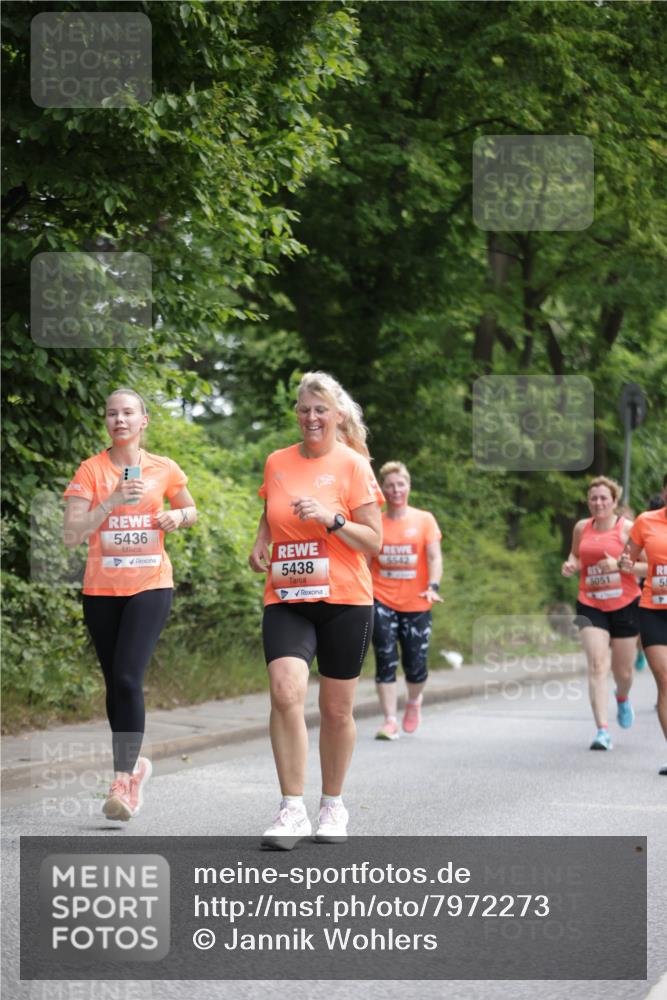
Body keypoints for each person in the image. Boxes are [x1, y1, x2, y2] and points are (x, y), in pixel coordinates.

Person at [248, 371, 383, 849]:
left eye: (320, 409)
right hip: (287, 596)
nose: (310, 417)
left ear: (337, 415)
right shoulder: (277, 462)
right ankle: (290, 809)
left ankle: (333, 804)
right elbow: (271, 512)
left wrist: (332, 518)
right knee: (285, 692)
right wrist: (261, 541)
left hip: (346, 600)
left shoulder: (353, 466)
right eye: (304, 409)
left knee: (335, 709)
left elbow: (374, 540)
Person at [63, 389, 196, 820]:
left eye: (128, 413)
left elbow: (190, 509)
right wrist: (114, 499)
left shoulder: (165, 469)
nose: (119, 420)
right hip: (101, 591)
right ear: (106, 422)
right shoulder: (91, 471)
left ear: (144, 421)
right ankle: (135, 764)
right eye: (111, 413)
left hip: (151, 585)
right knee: (114, 685)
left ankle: (123, 781)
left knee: (127, 675)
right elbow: (71, 534)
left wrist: (178, 517)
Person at [562, 476, 645, 751]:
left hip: (625, 605)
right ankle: (602, 731)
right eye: (593, 498)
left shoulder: (628, 530)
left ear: (614, 501)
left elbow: (648, 565)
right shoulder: (582, 527)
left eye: (603, 498)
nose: (598, 503)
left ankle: (622, 698)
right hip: (590, 604)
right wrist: (571, 565)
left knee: (624, 673)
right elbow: (576, 554)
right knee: (597, 665)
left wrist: (622, 565)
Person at [369, 461, 442, 740]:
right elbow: (365, 559)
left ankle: (413, 701)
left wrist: (433, 586)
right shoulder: (376, 521)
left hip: (417, 602)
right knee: (385, 657)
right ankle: (389, 720)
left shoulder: (424, 519)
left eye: (400, 484)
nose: (395, 490)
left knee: (416, 664)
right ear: (382, 490)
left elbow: (434, 557)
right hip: (381, 599)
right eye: (389, 485)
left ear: (408, 486)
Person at [621, 472, 667, 774]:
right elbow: (628, 561)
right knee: (666, 682)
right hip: (654, 610)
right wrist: (627, 564)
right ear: (664, 491)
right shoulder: (646, 521)